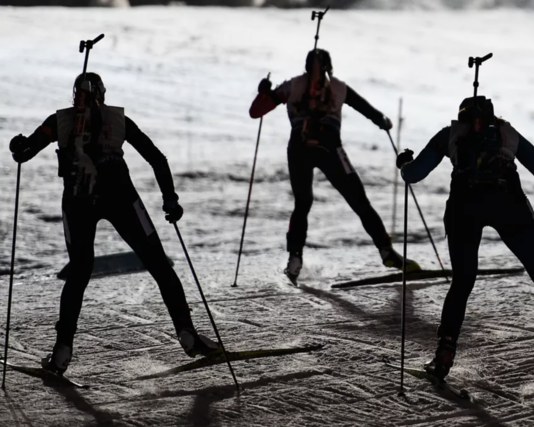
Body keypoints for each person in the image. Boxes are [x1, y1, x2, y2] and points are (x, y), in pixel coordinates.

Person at [8, 72, 219, 375]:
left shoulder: (60, 121)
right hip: (121, 196)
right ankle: (186, 332)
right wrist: (170, 199)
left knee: (80, 272)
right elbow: (157, 159)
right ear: (103, 95)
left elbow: (26, 151)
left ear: (74, 96)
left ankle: (62, 351)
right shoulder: (118, 120)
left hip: (79, 199)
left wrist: (19, 145)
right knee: (159, 264)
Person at [396, 96, 534, 381]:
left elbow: (414, 174)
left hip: (464, 209)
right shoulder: (508, 134)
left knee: (462, 283)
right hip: (509, 205)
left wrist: (404, 163)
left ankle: (444, 355)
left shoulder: (451, 134)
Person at [250, 49, 419, 286]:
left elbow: (256, 112)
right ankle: (386, 251)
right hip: (331, 148)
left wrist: (264, 93)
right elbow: (368, 110)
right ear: (330, 68)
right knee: (360, 201)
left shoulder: (292, 86)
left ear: (306, 66)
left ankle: (295, 258)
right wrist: (383, 121)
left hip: (298, 148)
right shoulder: (339, 88)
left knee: (303, 203)